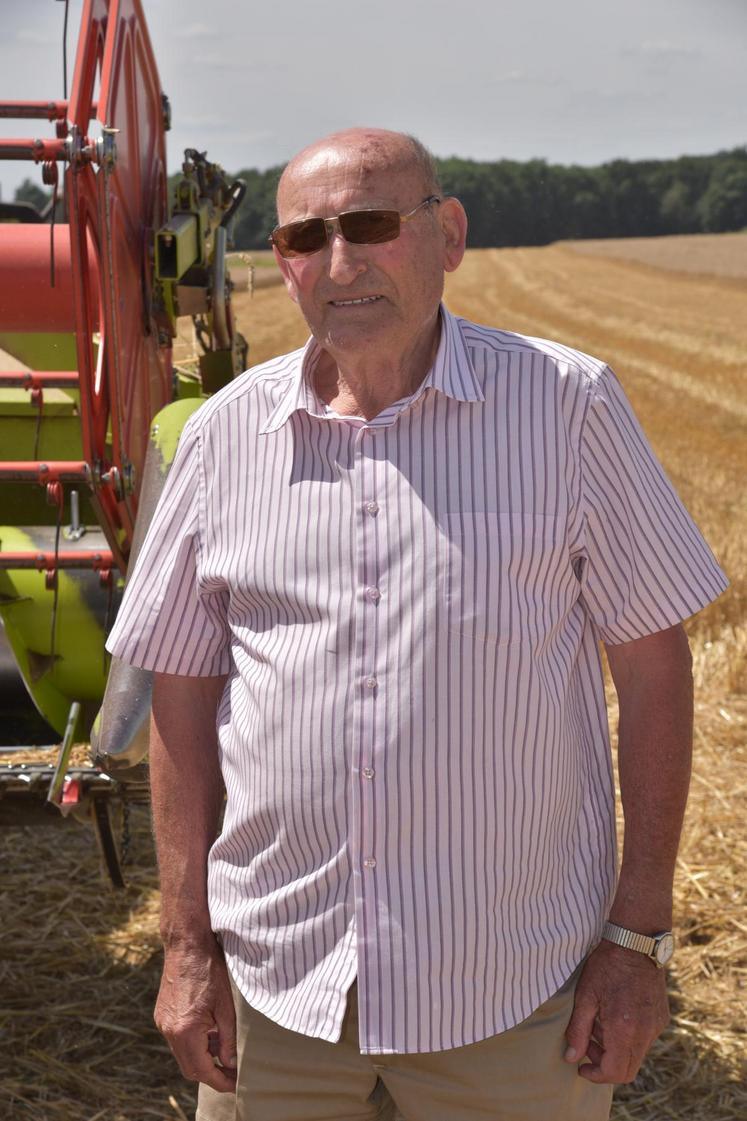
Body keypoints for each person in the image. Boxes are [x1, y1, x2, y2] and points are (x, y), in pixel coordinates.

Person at [106, 128, 727, 1121]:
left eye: (370, 225)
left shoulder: (566, 408)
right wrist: (187, 947)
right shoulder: (225, 437)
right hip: (277, 994)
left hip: (515, 997)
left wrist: (638, 937)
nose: (340, 262)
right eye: (307, 238)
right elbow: (181, 699)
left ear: (448, 235)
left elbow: (656, 672)